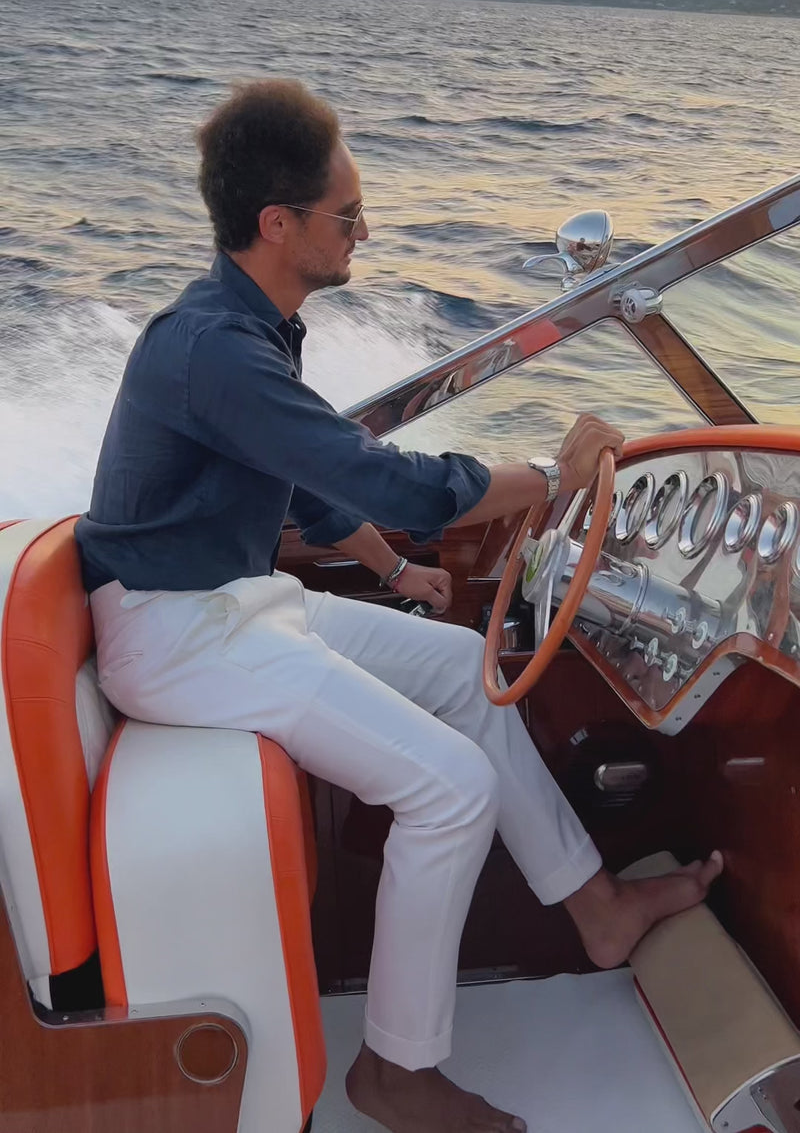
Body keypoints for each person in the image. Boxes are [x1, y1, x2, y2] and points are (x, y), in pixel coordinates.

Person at [76, 80, 722, 1133]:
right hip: (178, 631)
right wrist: (544, 477)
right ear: (277, 224)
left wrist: (390, 570)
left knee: (466, 671)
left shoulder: (248, 329)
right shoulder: (213, 348)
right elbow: (387, 481)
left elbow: (303, 481)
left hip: (234, 603)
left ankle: (598, 910)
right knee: (450, 790)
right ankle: (395, 1072)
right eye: (348, 216)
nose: (365, 234)